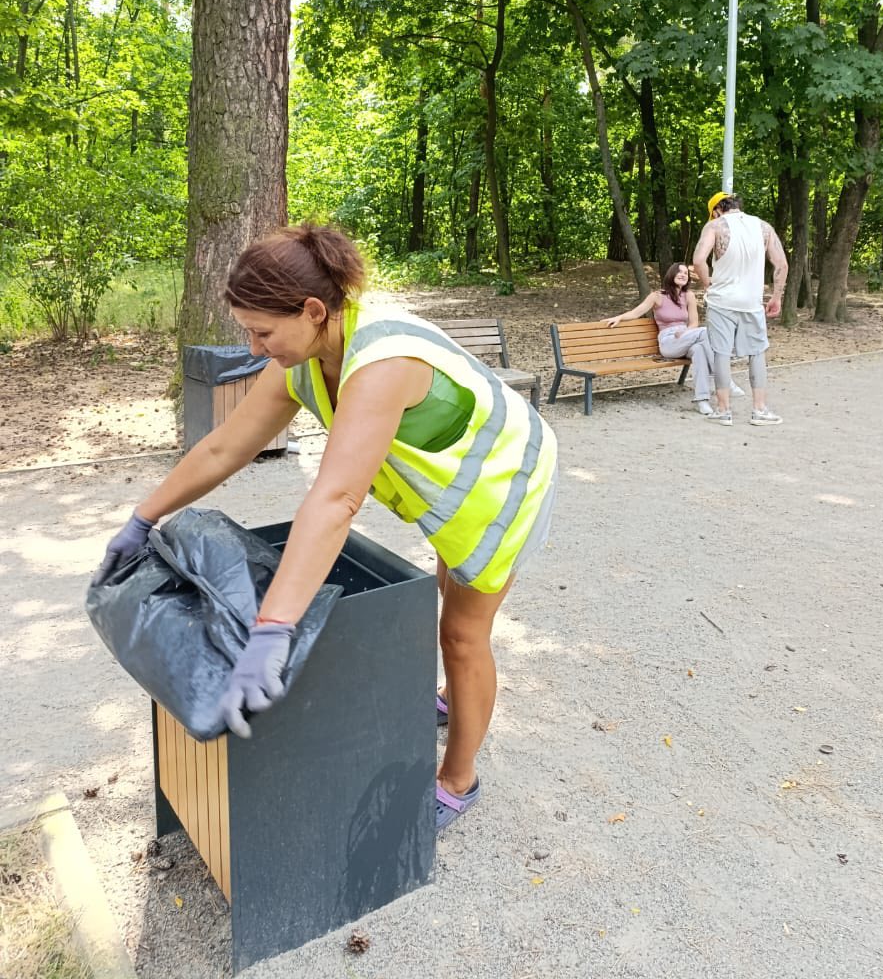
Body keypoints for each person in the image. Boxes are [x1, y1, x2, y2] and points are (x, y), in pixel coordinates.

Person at [92, 222, 558, 831]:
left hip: (502, 486)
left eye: (263, 332)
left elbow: (337, 498)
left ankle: (458, 780)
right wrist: (143, 516)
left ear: (313, 310)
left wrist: (272, 628)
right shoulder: (307, 355)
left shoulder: (382, 363)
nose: (254, 349)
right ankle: (451, 698)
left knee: (463, 635)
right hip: (449, 490)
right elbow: (225, 447)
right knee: (449, 590)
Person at [692, 192, 788, 426]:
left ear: (716, 210)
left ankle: (723, 410)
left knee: (721, 353)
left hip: (721, 301)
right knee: (757, 352)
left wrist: (707, 284)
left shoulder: (714, 226)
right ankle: (760, 410)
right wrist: (776, 297)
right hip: (752, 302)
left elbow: (698, 260)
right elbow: (782, 264)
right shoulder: (763, 227)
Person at [602, 262, 742, 414]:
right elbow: (636, 313)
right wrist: (619, 318)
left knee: (700, 350)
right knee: (708, 332)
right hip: (669, 342)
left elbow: (694, 323)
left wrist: (686, 332)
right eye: (679, 272)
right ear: (671, 274)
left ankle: (702, 401)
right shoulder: (657, 296)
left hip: (688, 337)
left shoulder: (689, 296)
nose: (683, 275)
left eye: (686, 273)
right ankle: (725, 380)